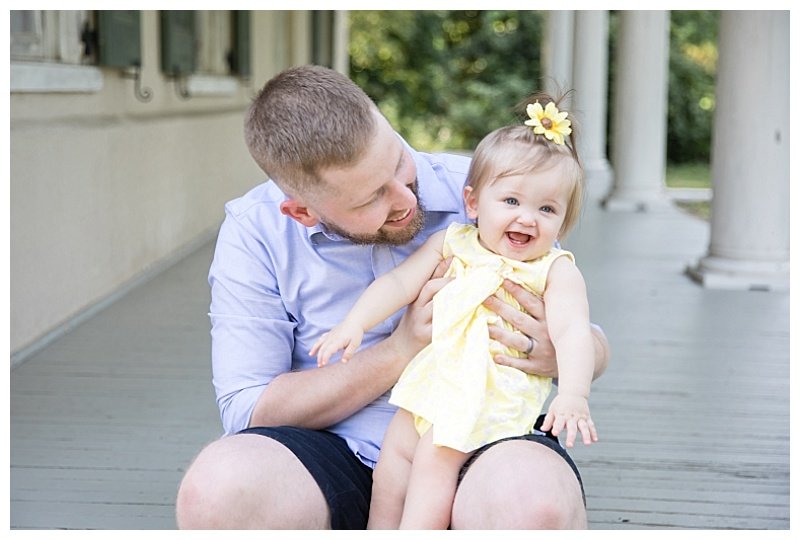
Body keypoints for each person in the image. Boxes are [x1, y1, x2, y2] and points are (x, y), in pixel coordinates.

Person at [175, 65, 609, 530]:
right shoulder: (255, 230)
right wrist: (400, 349)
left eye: (399, 162)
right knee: (216, 491)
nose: (405, 198)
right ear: (301, 211)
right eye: (371, 198)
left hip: (481, 432)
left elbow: (585, 336)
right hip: (330, 447)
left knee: (532, 503)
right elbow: (249, 408)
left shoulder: (499, 186)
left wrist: (551, 355)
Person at [310, 96, 598, 529]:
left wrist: (574, 395)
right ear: (474, 202)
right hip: (431, 387)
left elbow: (573, 333)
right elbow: (398, 284)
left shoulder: (553, 272)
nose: (527, 218)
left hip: (486, 396)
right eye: (512, 201)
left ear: (564, 222)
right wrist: (355, 322)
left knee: (430, 469)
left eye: (547, 209)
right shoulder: (453, 243)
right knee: (393, 467)